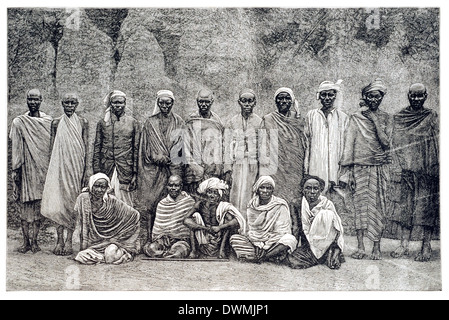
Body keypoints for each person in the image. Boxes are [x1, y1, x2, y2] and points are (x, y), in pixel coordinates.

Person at [339, 79, 392, 260]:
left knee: (378, 206)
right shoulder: (355, 118)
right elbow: (349, 145)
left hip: (378, 167)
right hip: (359, 168)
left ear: (381, 98)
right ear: (365, 97)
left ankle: (376, 246)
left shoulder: (386, 118)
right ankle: (361, 246)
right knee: (360, 206)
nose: (373, 99)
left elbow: (386, 144)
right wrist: (349, 172)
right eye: (370, 96)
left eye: (377, 96)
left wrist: (375, 119)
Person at [389, 83, 439, 262]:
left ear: (425, 96)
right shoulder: (400, 117)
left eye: (420, 96)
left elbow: (438, 141)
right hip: (406, 171)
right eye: (413, 96)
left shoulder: (431, 115)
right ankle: (404, 244)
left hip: (427, 170)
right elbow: (395, 144)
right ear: (408, 96)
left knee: (426, 208)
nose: (416, 99)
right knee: (405, 208)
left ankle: (426, 245)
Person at [41, 93, 89, 256]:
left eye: (72, 103)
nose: (69, 106)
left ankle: (69, 240)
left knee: (71, 204)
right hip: (59, 167)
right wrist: (50, 170)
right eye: (67, 103)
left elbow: (86, 147)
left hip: (76, 167)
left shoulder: (83, 122)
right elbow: (51, 147)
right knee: (59, 203)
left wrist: (85, 171)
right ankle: (59, 240)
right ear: (62, 104)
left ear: (77, 105)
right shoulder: (56, 122)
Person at [138, 90, 185, 246]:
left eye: (168, 103)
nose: (164, 106)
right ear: (158, 103)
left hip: (171, 169)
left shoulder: (179, 122)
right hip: (153, 170)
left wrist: (171, 160)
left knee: (171, 204)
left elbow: (180, 148)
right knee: (150, 204)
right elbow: (144, 148)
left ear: (172, 103)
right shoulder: (149, 122)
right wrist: (156, 157)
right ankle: (150, 238)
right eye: (162, 103)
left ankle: (170, 238)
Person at [9, 89, 52, 253]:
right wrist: (16, 170)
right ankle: (25, 242)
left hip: (41, 170)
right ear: (26, 100)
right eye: (30, 99)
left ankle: (35, 242)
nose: (33, 102)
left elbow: (49, 146)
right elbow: (16, 147)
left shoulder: (48, 121)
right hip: (26, 170)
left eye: (36, 99)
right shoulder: (19, 122)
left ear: (41, 100)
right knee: (24, 207)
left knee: (37, 207)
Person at [74, 173, 141, 265]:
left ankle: (121, 255)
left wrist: (119, 237)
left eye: (103, 187)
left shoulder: (112, 201)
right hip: (94, 245)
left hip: (112, 242)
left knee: (110, 256)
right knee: (80, 256)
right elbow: (83, 226)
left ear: (107, 188)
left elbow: (135, 215)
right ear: (91, 185)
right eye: (96, 186)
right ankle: (105, 258)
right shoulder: (83, 199)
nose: (99, 190)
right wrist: (84, 248)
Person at [230, 176, 298, 264]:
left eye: (268, 188)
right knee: (234, 238)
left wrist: (266, 246)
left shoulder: (280, 205)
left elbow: (281, 231)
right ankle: (268, 256)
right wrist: (258, 244)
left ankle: (262, 258)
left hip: (274, 242)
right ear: (258, 189)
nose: (265, 191)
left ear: (272, 190)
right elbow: (251, 229)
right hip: (255, 240)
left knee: (290, 239)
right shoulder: (252, 205)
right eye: (262, 187)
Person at [258, 87, 306, 204]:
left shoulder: (298, 119)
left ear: (292, 101)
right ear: (276, 101)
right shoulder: (268, 119)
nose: (283, 101)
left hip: (295, 166)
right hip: (276, 167)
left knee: (294, 196)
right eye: (280, 98)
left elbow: (304, 142)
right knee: (277, 195)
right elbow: (263, 146)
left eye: (287, 98)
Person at [287, 175, 345, 270]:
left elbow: (337, 229)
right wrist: (293, 248)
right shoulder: (297, 203)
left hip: (327, 244)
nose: (312, 192)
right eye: (308, 188)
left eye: (316, 188)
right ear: (302, 189)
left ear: (320, 190)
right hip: (309, 245)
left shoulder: (327, 204)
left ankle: (331, 253)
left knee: (327, 214)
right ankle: (324, 257)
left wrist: (337, 248)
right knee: (293, 261)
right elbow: (295, 227)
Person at [92, 90, 139, 206]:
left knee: (125, 203)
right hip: (107, 167)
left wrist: (135, 173)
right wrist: (97, 172)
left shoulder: (133, 123)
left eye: (120, 103)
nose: (118, 105)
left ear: (125, 103)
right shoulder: (103, 123)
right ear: (110, 104)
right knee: (106, 201)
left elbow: (136, 149)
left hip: (125, 169)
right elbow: (97, 148)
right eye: (114, 103)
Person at [184, 177, 246, 259]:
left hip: (218, 236)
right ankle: (194, 251)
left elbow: (236, 221)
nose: (212, 196)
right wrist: (205, 228)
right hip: (203, 234)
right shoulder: (200, 204)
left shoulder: (223, 206)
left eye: (215, 193)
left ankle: (222, 251)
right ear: (206, 193)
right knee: (195, 217)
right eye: (210, 192)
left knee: (227, 218)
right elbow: (185, 220)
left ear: (219, 195)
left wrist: (219, 227)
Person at [304, 80, 348, 194]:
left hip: (336, 169)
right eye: (324, 94)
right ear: (319, 96)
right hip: (315, 167)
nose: (327, 98)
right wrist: (306, 169)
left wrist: (344, 175)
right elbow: (306, 144)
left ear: (335, 96)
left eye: (330, 95)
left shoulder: (343, 118)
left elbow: (347, 148)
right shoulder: (312, 115)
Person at [224, 89, 262, 216]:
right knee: (235, 193)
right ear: (239, 102)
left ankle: (249, 227)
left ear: (254, 103)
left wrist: (262, 171)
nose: (247, 104)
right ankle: (235, 225)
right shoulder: (232, 122)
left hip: (253, 165)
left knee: (251, 194)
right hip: (237, 164)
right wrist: (228, 169)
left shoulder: (260, 122)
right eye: (244, 101)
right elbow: (227, 146)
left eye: (250, 101)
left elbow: (263, 148)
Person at [184, 89, 226, 197]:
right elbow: (186, 145)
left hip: (211, 166)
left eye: (207, 102)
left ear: (212, 101)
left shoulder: (216, 121)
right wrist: (193, 165)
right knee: (195, 196)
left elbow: (220, 145)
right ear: (197, 101)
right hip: (194, 167)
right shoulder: (191, 120)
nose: (203, 104)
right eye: (201, 101)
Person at [143, 175, 195, 259]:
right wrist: (163, 237)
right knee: (151, 248)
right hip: (163, 241)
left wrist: (176, 237)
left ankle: (167, 254)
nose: (173, 188)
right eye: (171, 185)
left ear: (181, 186)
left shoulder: (189, 202)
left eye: (176, 185)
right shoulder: (162, 203)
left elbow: (189, 229)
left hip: (181, 240)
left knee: (179, 252)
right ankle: (165, 253)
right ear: (167, 186)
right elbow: (158, 228)